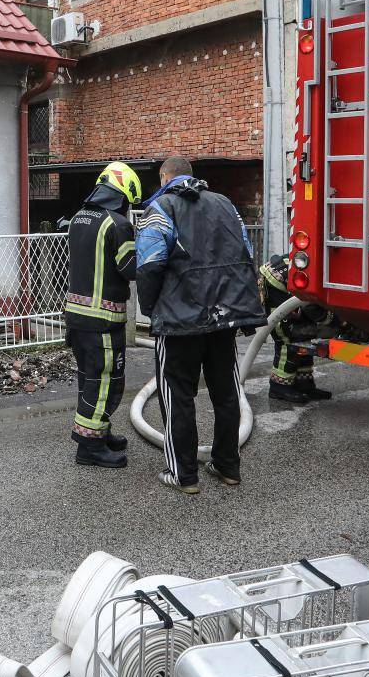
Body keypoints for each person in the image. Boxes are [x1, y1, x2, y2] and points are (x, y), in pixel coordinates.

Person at [135, 157, 267, 494]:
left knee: (178, 395)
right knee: (225, 393)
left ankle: (184, 475)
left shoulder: (161, 207)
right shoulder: (225, 204)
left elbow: (149, 264)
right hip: (224, 318)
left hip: (180, 321)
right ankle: (227, 466)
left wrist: (152, 309)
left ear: (165, 177)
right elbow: (246, 251)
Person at [62, 161, 141, 469]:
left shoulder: (78, 218)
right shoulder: (118, 225)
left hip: (77, 318)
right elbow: (130, 269)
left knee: (89, 379)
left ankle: (99, 432)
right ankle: (90, 448)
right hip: (104, 321)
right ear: (122, 194)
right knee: (107, 382)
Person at [260, 255, 333, 403]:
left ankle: (304, 385)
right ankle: (278, 387)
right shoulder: (319, 275)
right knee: (286, 337)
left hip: (292, 284)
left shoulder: (327, 274)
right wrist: (329, 321)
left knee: (304, 338)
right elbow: (310, 306)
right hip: (276, 285)